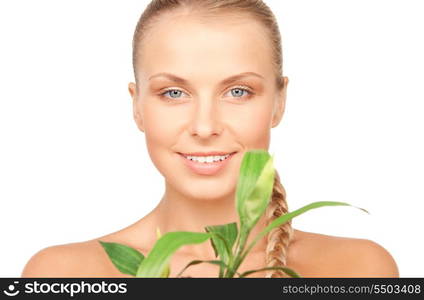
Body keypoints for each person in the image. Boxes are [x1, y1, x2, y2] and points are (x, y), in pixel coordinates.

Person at [21, 0, 399, 278]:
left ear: (279, 101)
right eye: (173, 93)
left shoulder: (359, 269)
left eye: (237, 92)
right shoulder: (62, 274)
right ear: (137, 106)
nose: (204, 127)